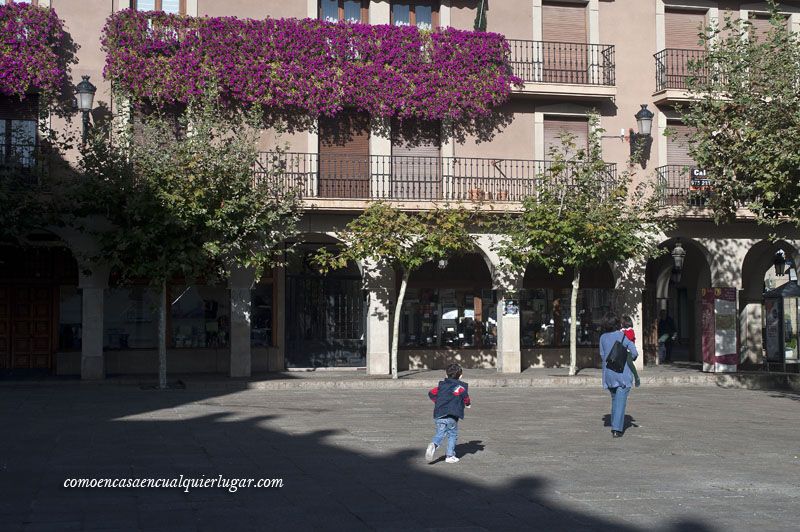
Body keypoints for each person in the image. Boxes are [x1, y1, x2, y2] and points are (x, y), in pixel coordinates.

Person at [599, 312, 639, 438]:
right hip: (622, 373)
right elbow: (634, 352)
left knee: (615, 399)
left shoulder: (602, 338)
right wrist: (627, 358)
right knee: (620, 401)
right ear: (617, 324)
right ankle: (616, 429)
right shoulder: (622, 336)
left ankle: (614, 424)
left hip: (609, 373)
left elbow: (602, 354)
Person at [425, 363, 471, 463]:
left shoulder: (441, 386)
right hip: (452, 415)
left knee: (440, 433)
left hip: (440, 413)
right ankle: (450, 456)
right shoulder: (460, 387)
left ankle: (434, 444)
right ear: (461, 375)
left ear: (446, 375)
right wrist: (467, 404)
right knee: (452, 434)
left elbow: (431, 393)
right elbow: (465, 397)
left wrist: (438, 401)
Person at [620, 315, 641, 387]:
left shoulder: (630, 330)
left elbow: (629, 337)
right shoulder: (621, 331)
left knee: (629, 362)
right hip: (622, 350)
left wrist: (623, 333)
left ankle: (636, 376)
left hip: (629, 351)